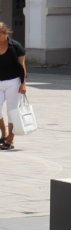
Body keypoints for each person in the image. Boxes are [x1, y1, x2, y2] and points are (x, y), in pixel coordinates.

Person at [0, 22, 28, 151]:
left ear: (6, 34)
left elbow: (22, 66)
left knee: (12, 112)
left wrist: (23, 83)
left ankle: (10, 140)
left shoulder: (16, 46)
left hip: (13, 82)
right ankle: (3, 133)